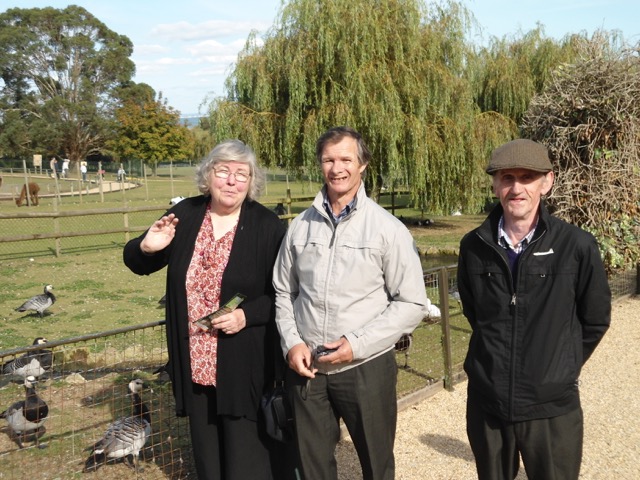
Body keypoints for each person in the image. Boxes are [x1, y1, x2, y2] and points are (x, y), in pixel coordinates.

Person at [123, 139, 287, 479]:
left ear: (251, 181)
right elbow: (137, 262)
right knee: (207, 459)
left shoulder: (268, 226)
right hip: (195, 361)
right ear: (207, 176)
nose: (231, 181)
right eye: (223, 171)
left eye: (241, 174)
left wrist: (246, 315)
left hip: (244, 364)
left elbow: (286, 295)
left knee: (247, 460)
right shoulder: (185, 215)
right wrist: (147, 247)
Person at [273, 126, 430, 480]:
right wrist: (291, 342)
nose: (337, 168)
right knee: (313, 467)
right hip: (308, 367)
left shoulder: (387, 229)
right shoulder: (300, 227)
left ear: (363, 165)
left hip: (365, 368)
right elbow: (284, 291)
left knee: (376, 464)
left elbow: (411, 303)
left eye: (346, 159)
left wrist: (355, 345)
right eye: (329, 159)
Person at [456, 138, 611, 480]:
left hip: (551, 406)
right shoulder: (473, 246)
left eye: (527, 177)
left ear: (547, 182)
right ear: (495, 184)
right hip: (488, 403)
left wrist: (559, 365)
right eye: (507, 177)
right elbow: (475, 312)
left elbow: (595, 320)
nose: (517, 187)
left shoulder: (577, 246)